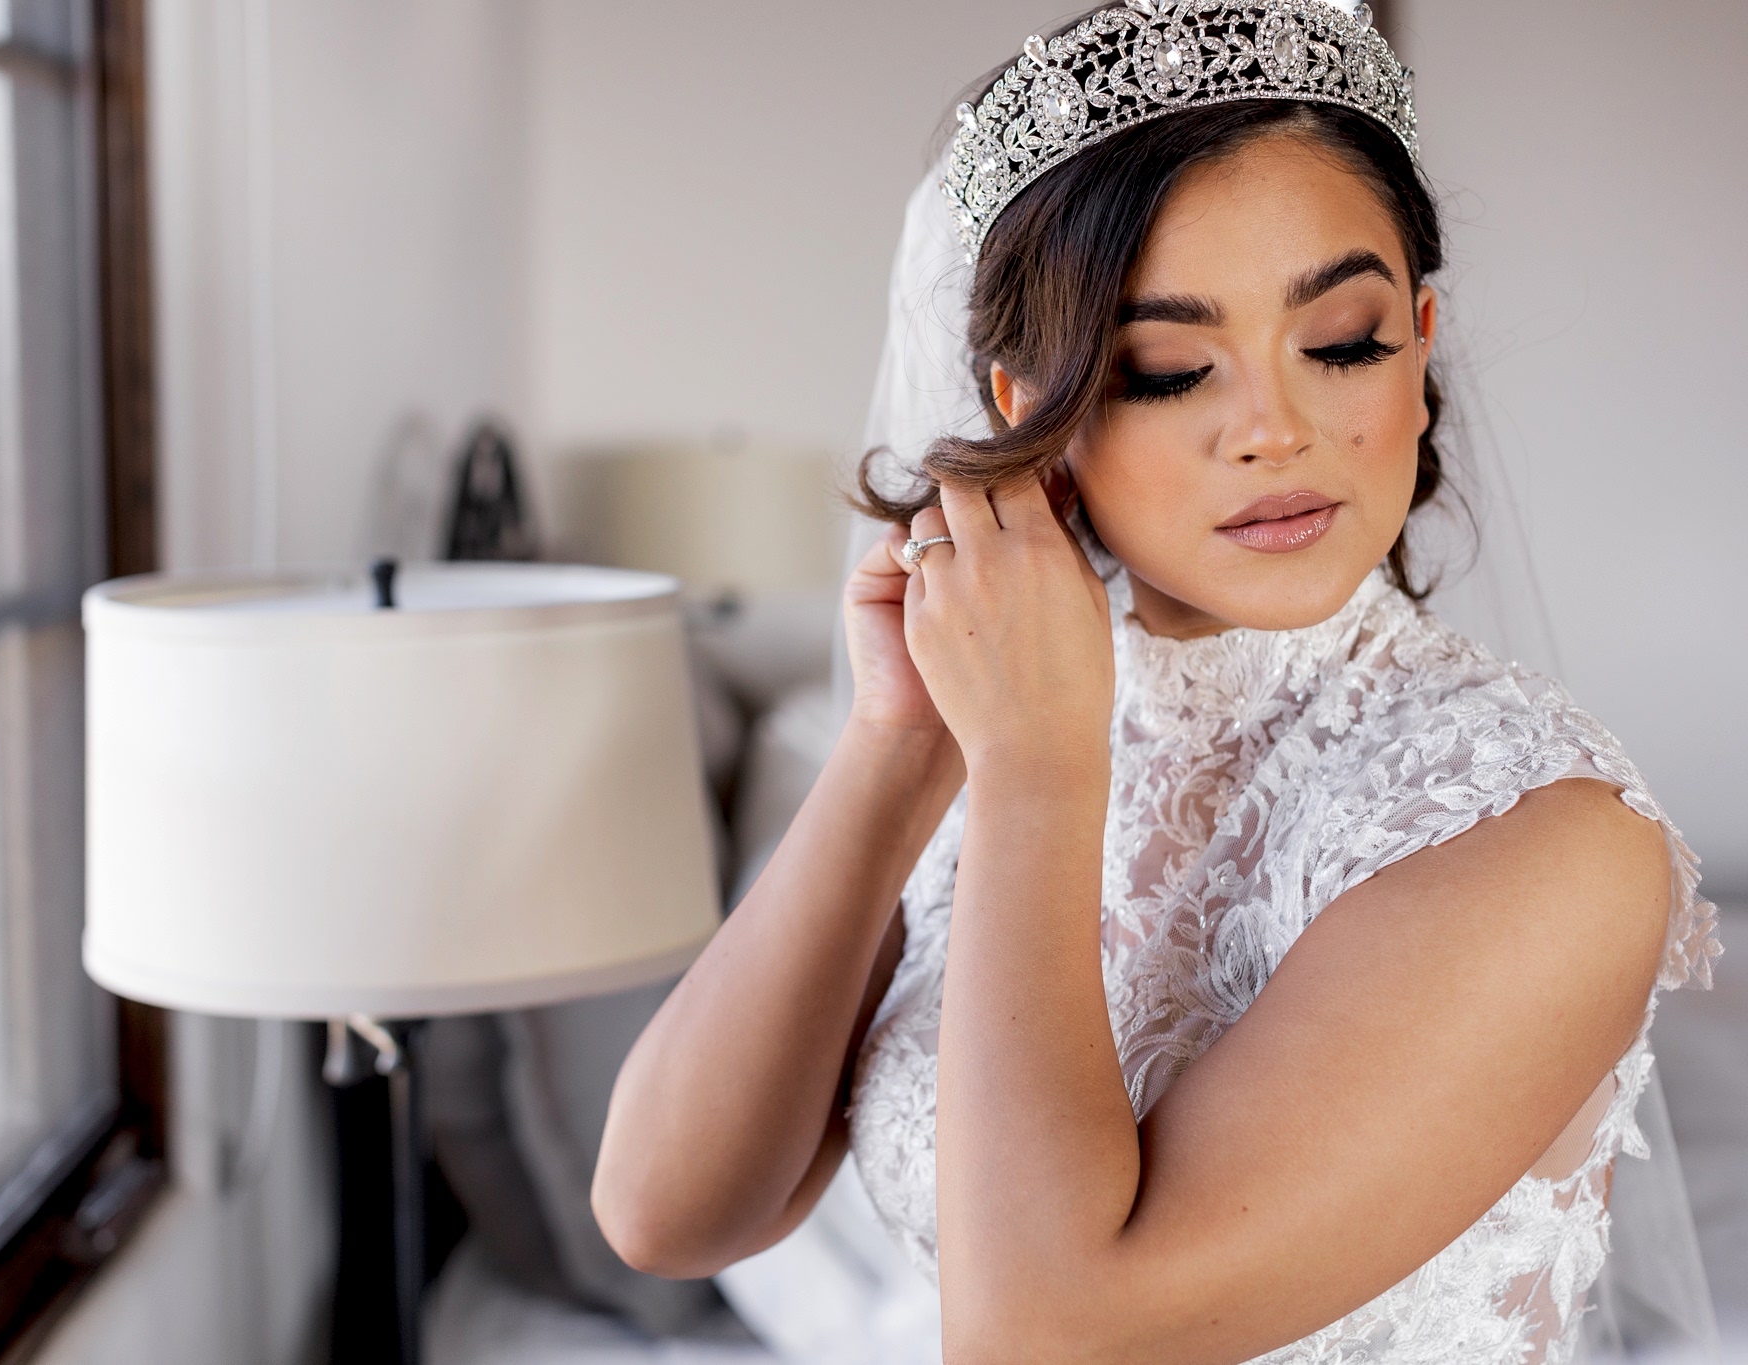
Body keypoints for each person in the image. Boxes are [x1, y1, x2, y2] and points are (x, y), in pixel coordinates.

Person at [592, 3, 1723, 1360]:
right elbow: (665, 1210)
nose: (1274, 428)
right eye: (1170, 367)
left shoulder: (1543, 833)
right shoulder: (1002, 713)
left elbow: (1044, 1340)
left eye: (1345, 340)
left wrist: (1039, 774)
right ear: (1034, 408)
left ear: (1422, 347)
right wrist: (899, 746)